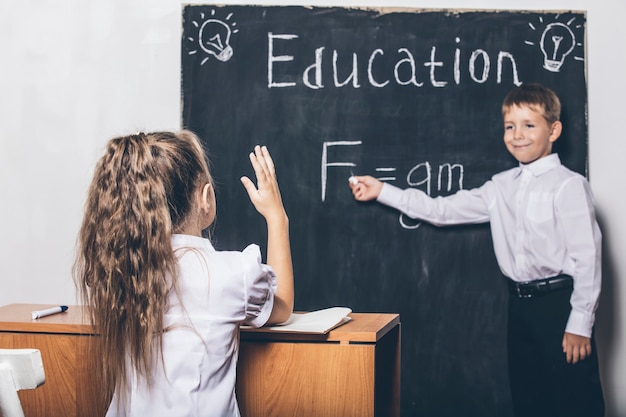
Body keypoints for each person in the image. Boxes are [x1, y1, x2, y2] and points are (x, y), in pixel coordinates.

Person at [349, 83, 604, 417]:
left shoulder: (569, 185)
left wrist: (580, 324)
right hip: (520, 307)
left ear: (553, 130)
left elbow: (588, 257)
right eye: (510, 126)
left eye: (529, 125)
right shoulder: (500, 187)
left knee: (575, 402)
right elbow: (441, 211)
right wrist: (383, 190)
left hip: (560, 306)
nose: (517, 135)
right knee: (530, 400)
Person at [73, 131, 294, 417]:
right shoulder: (229, 275)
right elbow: (282, 305)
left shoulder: (121, 272)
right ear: (205, 198)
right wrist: (277, 217)